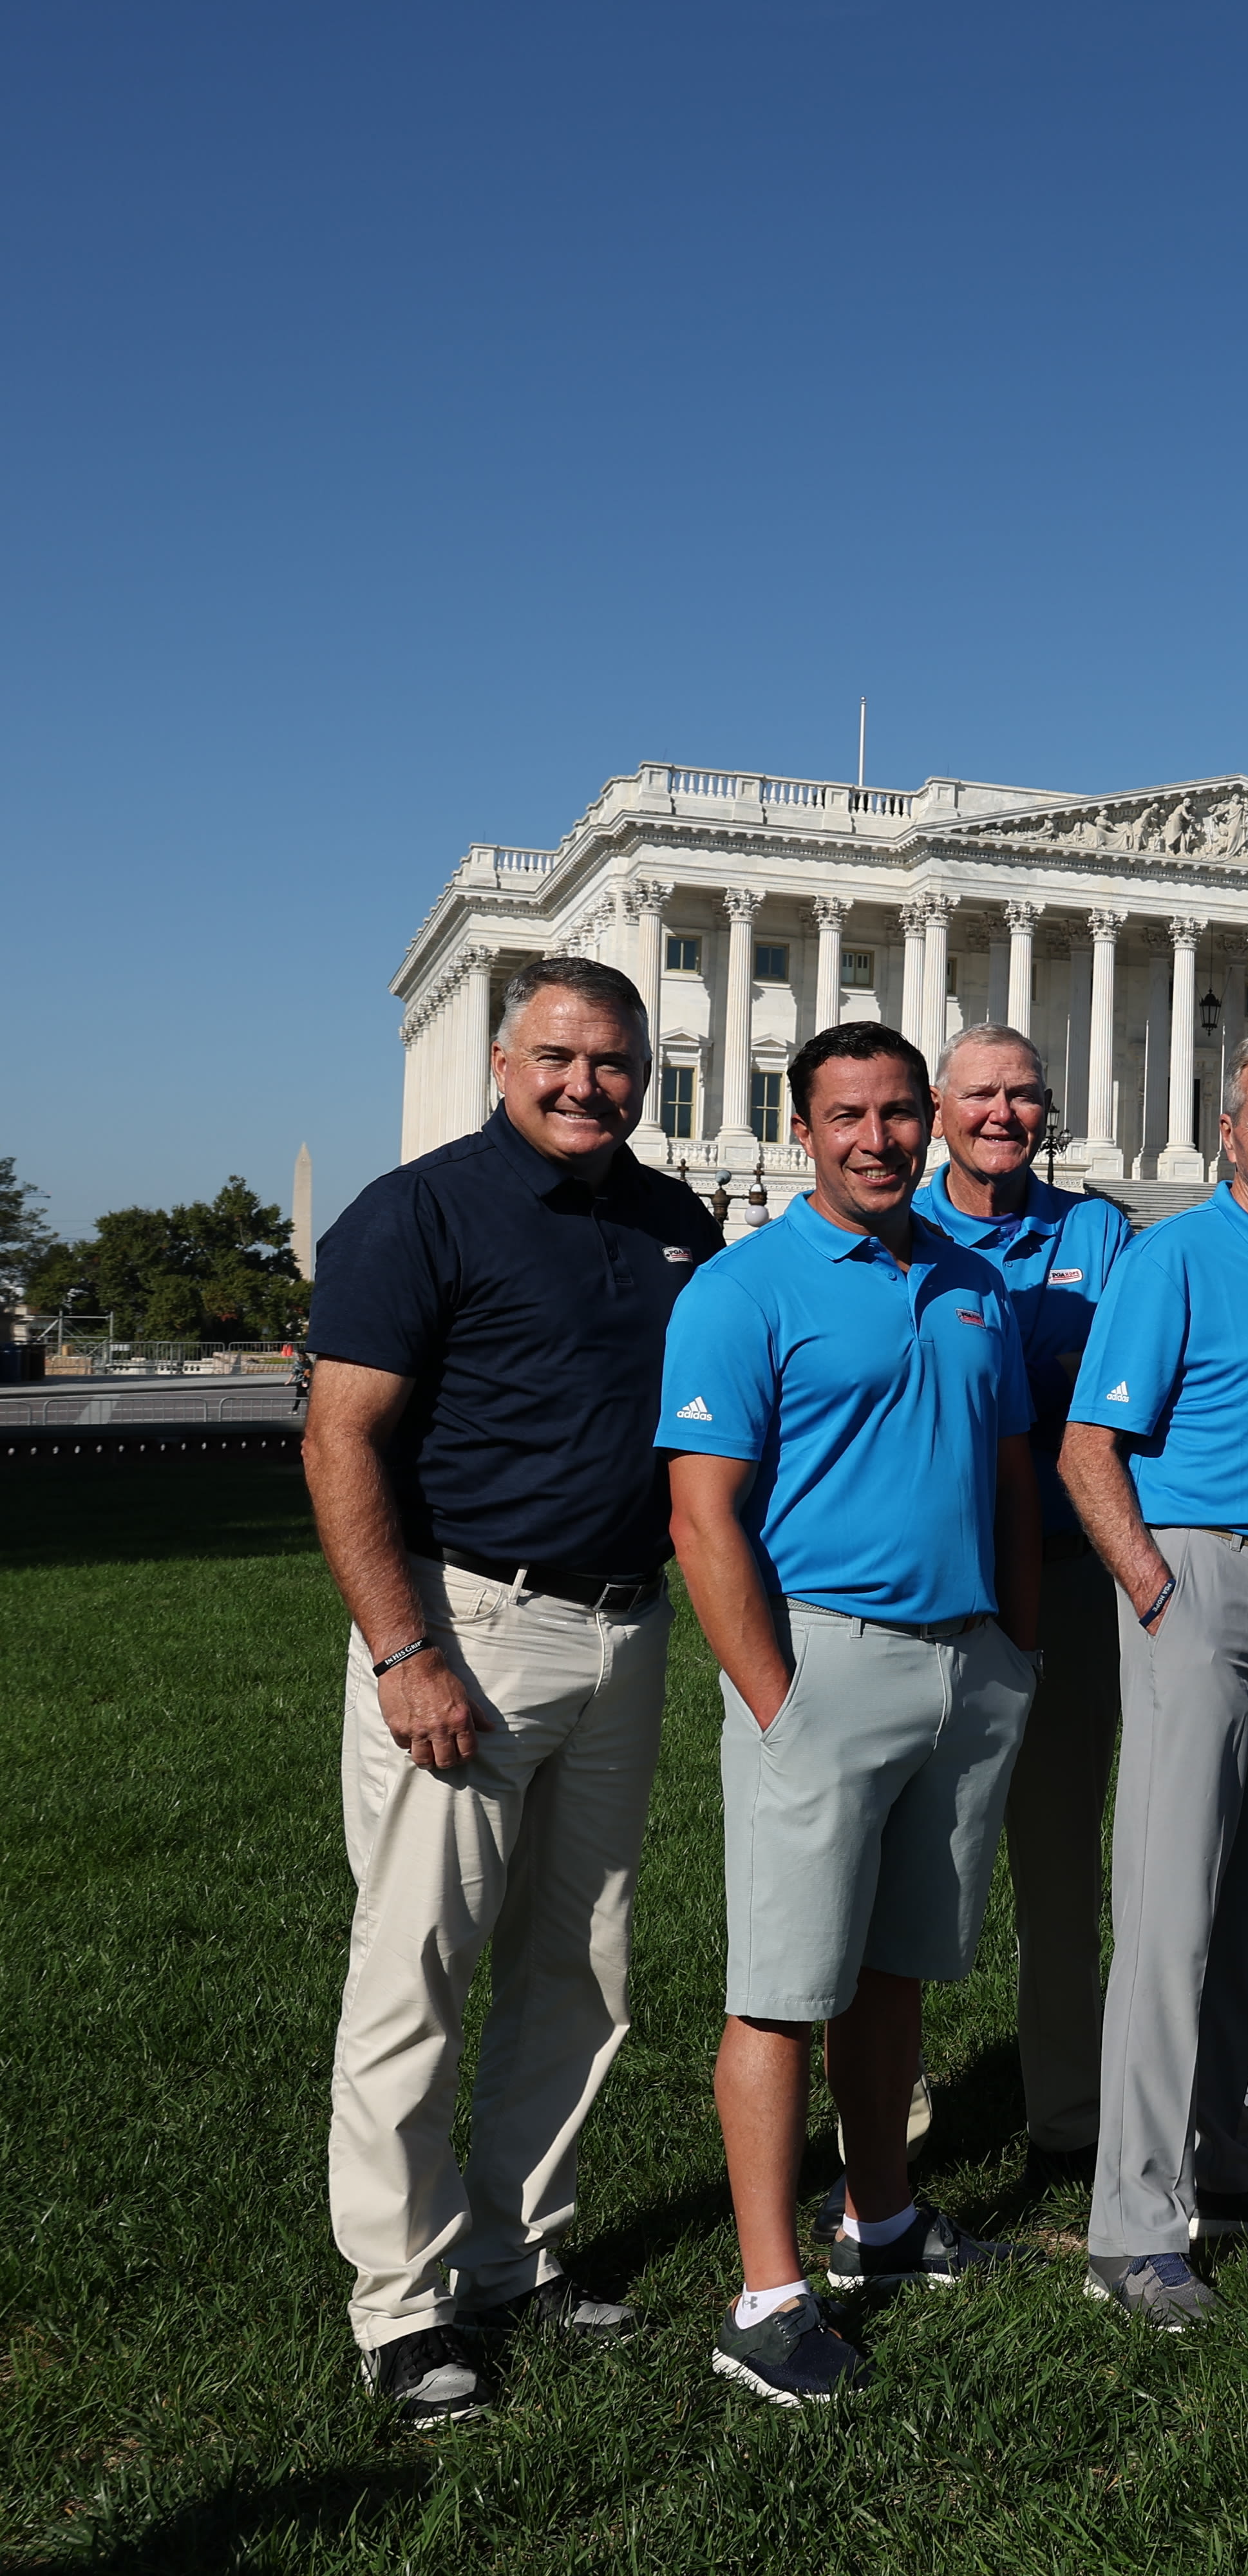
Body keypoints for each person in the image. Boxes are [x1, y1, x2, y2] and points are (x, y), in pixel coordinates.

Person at [303, 956, 721, 2426]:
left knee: (583, 1966)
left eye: (614, 1063)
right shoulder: (416, 1210)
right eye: (558, 1057)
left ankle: (518, 2253)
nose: (585, 1084)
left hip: (624, 1624)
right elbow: (339, 1438)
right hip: (468, 1621)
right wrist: (404, 1649)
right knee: (414, 1970)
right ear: (501, 1059)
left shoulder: (676, 1218)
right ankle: (404, 2308)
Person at [658, 1021, 1043, 2405]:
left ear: (926, 1121)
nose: (877, 1138)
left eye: (896, 1113)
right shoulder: (744, 1287)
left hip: (964, 1663)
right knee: (779, 1985)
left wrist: (1017, 1639)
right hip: (822, 1659)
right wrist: (775, 1697)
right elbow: (703, 1517)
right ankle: (766, 2293)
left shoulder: (971, 1280)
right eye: (847, 1115)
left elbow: (1009, 1467)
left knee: (895, 1969)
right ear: (802, 1128)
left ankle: (879, 2216)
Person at [1055, 1034, 1248, 2327]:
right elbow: (1091, 1449)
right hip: (1196, 1575)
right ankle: (1131, 2222)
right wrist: (1150, 1585)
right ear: (1229, 1128)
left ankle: (1218, 2143)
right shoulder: (1175, 1253)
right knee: (1172, 1904)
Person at [909, 1027, 1135, 2165]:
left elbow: (1122, 1389)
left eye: (1024, 1096)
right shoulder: (898, 1228)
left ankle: (1068, 2117)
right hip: (928, 1595)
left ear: (1049, 1108)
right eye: (981, 1095)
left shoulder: (1097, 1231)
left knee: (1059, 1871)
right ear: (940, 1105)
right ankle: (889, 2133)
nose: (1003, 1114)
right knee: (901, 1863)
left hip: (1064, 1581)